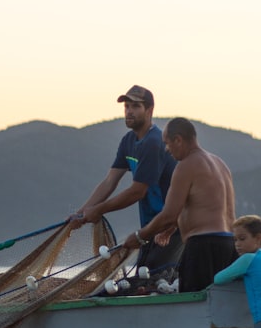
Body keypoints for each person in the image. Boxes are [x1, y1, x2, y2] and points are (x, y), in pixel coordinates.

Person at [70, 85, 183, 280]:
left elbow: (137, 191)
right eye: (127, 106)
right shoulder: (128, 141)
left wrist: (98, 210)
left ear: (149, 111)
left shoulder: (154, 142)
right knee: (143, 280)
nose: (129, 111)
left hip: (171, 226)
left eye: (135, 106)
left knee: (155, 281)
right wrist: (81, 212)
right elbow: (109, 181)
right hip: (150, 228)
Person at [124, 117, 237, 292]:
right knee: (220, 302)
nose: (167, 150)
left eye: (167, 144)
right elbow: (204, 206)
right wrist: (172, 227)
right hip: (229, 245)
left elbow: (168, 213)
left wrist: (140, 236)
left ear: (178, 140)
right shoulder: (220, 164)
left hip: (203, 247)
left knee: (193, 306)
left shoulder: (186, 165)